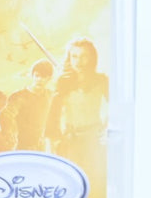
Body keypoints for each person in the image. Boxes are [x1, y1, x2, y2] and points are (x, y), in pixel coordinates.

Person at [45, 38, 108, 178]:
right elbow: (53, 115)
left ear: (92, 58)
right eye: (74, 56)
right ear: (69, 58)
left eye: (84, 56)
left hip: (94, 141)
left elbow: (119, 108)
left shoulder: (101, 80)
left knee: (96, 180)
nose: (78, 62)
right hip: (71, 141)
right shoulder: (63, 82)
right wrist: (50, 145)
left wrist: (107, 126)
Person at [6, 59, 55, 152]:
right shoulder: (18, 97)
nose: (39, 79)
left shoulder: (51, 96)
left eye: (44, 77)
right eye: (37, 76)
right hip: (23, 147)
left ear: (49, 78)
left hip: (44, 147)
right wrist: (10, 134)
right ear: (32, 75)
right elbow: (6, 117)